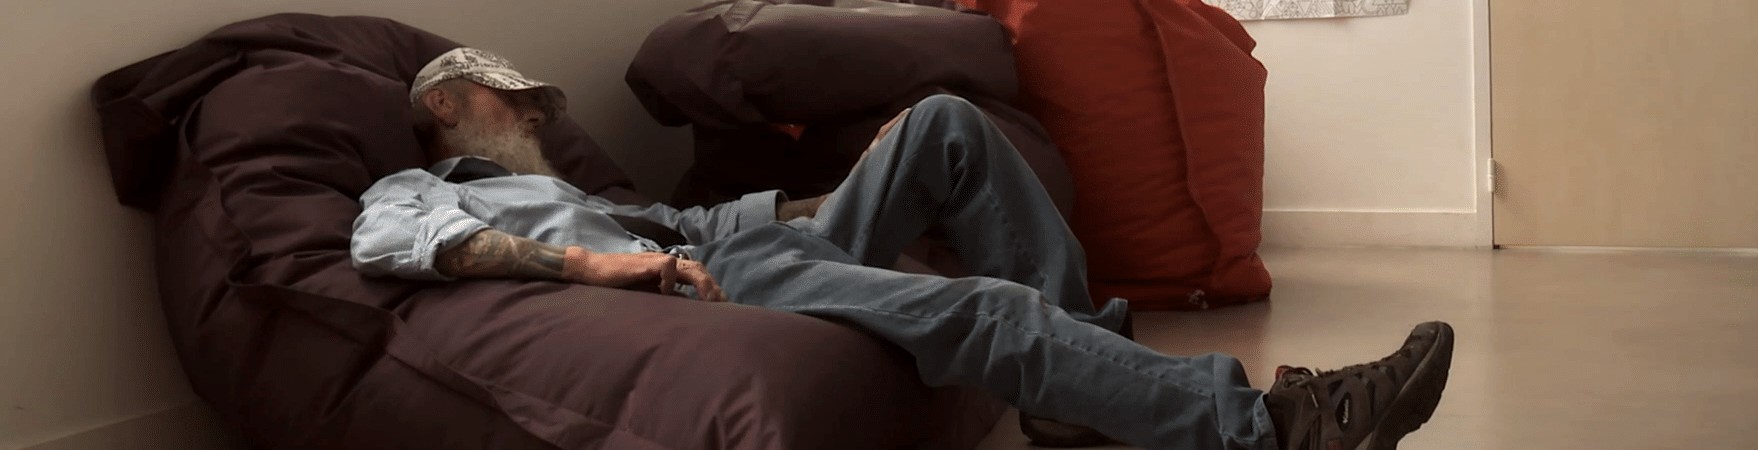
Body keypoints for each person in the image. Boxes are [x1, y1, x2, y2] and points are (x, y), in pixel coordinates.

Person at [350, 48, 1456, 450]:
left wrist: (851, 189)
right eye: (511, 100)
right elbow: (399, 247)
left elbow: (709, 222)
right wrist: (601, 267)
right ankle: (1270, 425)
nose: (533, 112)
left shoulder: (574, 187)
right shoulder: (415, 191)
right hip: (706, 287)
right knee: (984, 309)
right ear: (447, 105)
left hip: (738, 242)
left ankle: (1077, 385)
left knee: (943, 124)